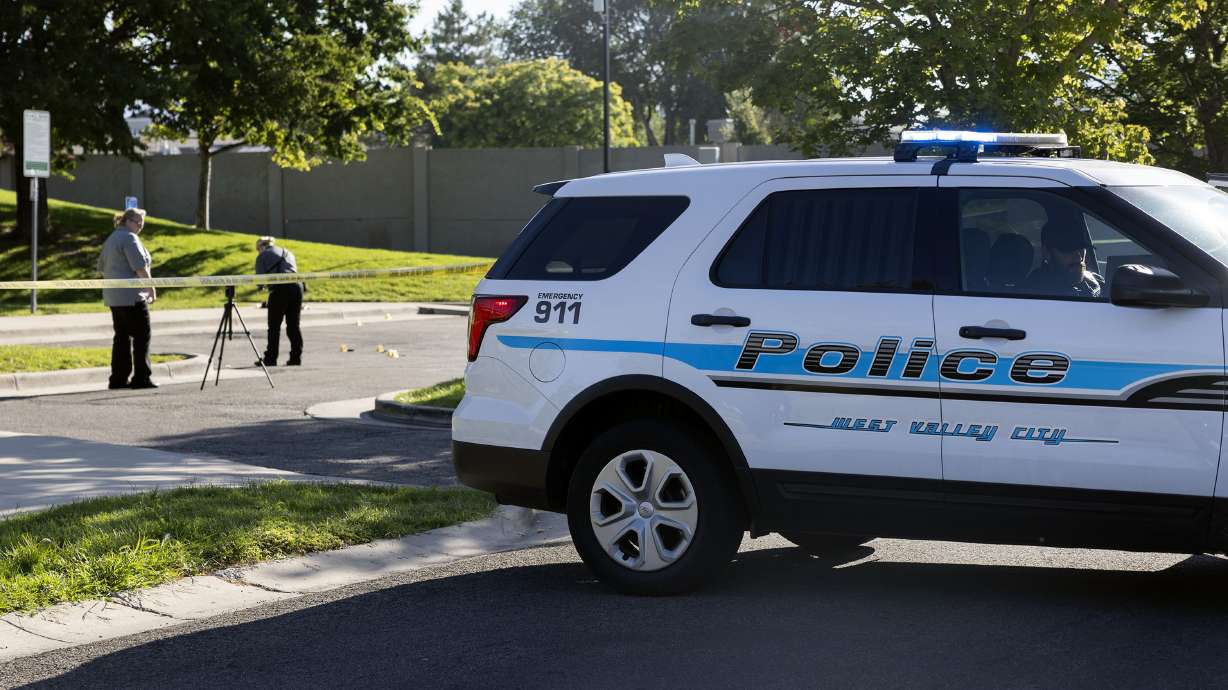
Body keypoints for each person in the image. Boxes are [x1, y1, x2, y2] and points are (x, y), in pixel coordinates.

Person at [97, 208, 157, 390]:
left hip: (114, 296)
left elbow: (100, 268)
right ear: (127, 220)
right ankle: (141, 378)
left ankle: (118, 378)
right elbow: (140, 267)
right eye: (138, 222)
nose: (140, 226)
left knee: (121, 337)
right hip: (132, 297)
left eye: (142, 223)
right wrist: (151, 288)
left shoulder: (112, 238)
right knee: (142, 335)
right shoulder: (130, 239)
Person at [254, 236, 303, 366]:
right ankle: (296, 358)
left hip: (280, 290)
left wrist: (262, 287)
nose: (258, 252)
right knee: (293, 326)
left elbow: (259, 281)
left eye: (258, 249)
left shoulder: (262, 256)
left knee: (274, 327)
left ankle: (271, 359)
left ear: (261, 246)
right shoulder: (288, 252)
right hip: (297, 287)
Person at [1024, 221, 1104, 298]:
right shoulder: (1033, 292)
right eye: (1068, 249)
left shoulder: (1095, 281)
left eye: (1081, 248)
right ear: (1046, 252)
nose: (1078, 256)